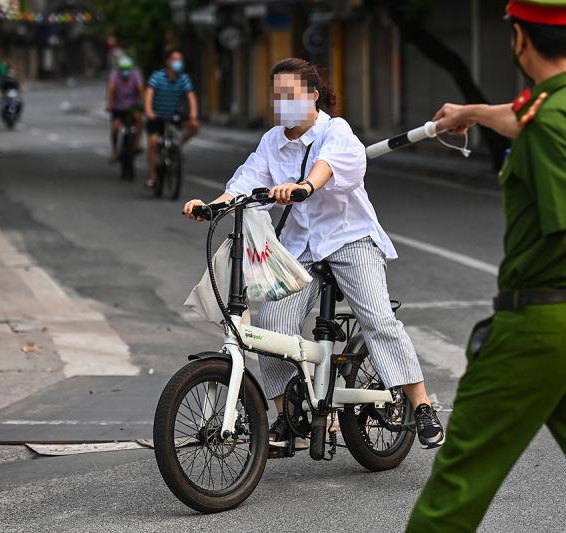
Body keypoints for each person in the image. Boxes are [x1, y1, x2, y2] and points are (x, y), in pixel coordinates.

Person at [407, 1, 566, 531]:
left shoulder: (550, 120)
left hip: (535, 331)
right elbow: (520, 116)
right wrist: (472, 113)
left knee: (454, 490)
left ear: (519, 40)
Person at [182, 58, 445, 450]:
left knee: (378, 318)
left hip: (348, 238)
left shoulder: (335, 131)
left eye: (291, 95)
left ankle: (421, 405)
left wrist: (304, 186)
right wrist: (212, 205)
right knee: (267, 331)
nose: (282, 103)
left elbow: (331, 166)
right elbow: (246, 180)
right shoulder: (272, 141)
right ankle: (288, 416)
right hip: (299, 247)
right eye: (277, 95)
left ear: (313, 95)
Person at [144, 48, 199, 190]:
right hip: (157, 116)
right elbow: (149, 93)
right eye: (174, 59)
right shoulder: (157, 76)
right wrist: (149, 111)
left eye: (180, 60)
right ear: (167, 61)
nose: (177, 63)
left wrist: (193, 115)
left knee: (194, 126)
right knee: (153, 142)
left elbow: (191, 97)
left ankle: (177, 146)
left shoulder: (184, 78)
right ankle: (152, 176)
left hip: (174, 115)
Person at [106, 55, 144, 162]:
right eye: (123, 69)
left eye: (127, 69)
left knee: (139, 120)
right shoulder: (114, 75)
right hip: (118, 107)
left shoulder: (135, 74)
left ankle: (137, 143)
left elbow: (140, 89)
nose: (125, 71)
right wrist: (109, 104)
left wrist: (143, 104)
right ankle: (114, 150)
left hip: (132, 106)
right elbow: (111, 89)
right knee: (115, 127)